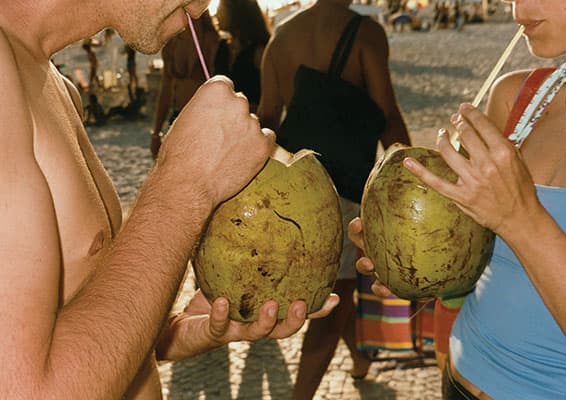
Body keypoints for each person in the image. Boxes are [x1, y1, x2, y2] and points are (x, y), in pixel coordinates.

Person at [0, 1, 339, 399]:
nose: (204, 4)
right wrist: (184, 185)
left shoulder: (50, 80)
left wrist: (175, 331)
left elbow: (55, 341)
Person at [350, 0, 566, 398]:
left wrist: (521, 219)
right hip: (461, 378)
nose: (520, 7)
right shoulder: (517, 98)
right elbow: (481, 261)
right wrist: (419, 261)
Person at [257, 0, 411, 398]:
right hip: (341, 188)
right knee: (335, 296)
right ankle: (300, 395)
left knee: (337, 283)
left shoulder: (283, 36)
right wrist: (406, 180)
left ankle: (361, 358)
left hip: (292, 187)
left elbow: (268, 117)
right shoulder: (364, 33)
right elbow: (387, 113)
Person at [151, 10, 230, 159]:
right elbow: (166, 90)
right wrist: (156, 132)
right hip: (178, 119)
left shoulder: (213, 41)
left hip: (207, 122)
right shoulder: (170, 43)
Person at [216, 0, 271, 113]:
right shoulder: (222, 47)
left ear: (235, 12)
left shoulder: (259, 51)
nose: (216, 14)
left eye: (221, 9)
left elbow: (270, 100)